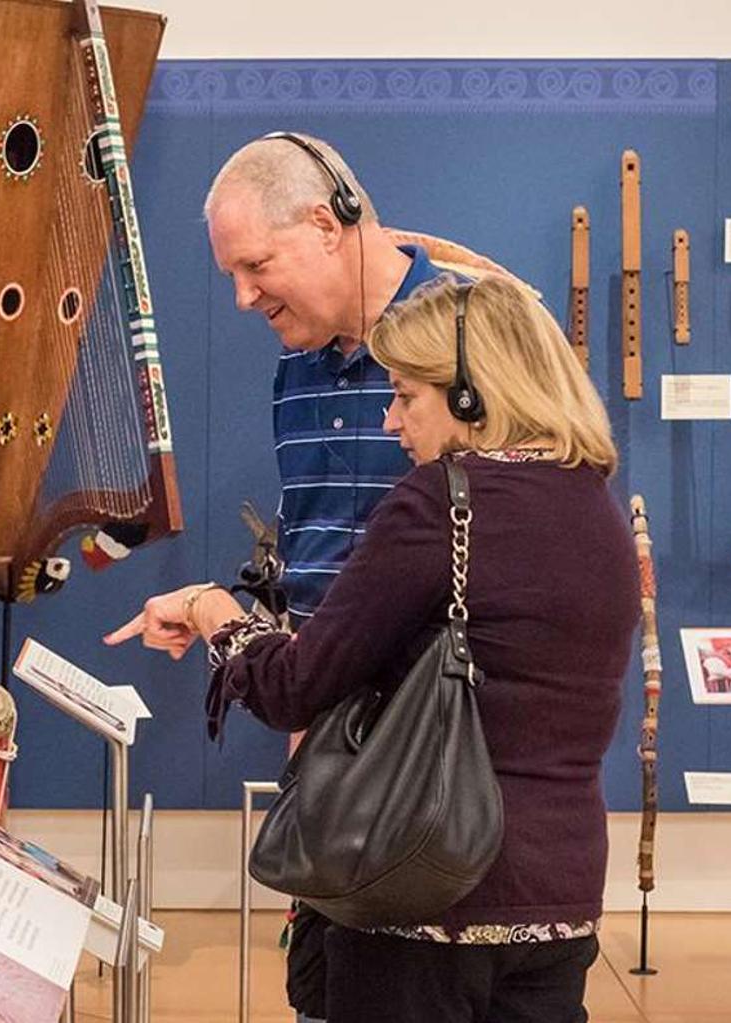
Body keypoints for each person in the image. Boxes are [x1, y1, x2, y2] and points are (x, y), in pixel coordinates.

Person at [108, 276, 638, 1023]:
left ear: (468, 397)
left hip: (422, 889)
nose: (391, 421)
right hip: (562, 896)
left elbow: (295, 684)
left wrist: (211, 610)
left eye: (405, 395)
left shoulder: (438, 502)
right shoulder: (596, 506)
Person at [203, 132, 463, 1023]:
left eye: (257, 265)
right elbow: (314, 552)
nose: (243, 296)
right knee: (324, 994)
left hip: (438, 768)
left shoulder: (472, 340)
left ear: (326, 223)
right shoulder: (296, 366)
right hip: (328, 749)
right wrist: (298, 680)